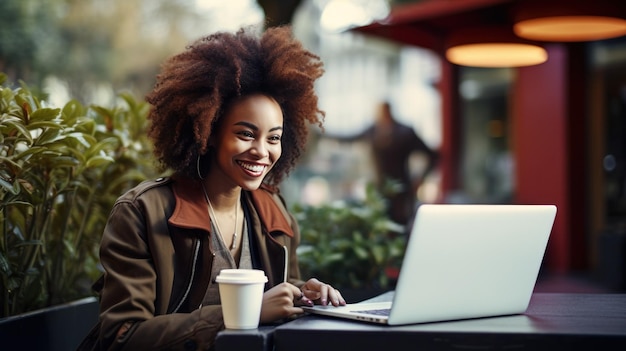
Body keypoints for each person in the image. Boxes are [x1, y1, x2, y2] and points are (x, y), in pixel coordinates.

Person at [83, 26, 345, 350]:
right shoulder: (142, 213)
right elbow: (120, 337)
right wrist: (243, 315)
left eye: (273, 138)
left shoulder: (273, 213)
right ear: (207, 131)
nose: (262, 151)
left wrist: (304, 293)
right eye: (246, 134)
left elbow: (277, 292)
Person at [337, 101, 438, 227]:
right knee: (379, 225)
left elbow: (432, 156)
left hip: (401, 189)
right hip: (378, 189)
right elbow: (349, 138)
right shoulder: (372, 131)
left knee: (402, 225)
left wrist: (419, 178)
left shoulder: (405, 133)